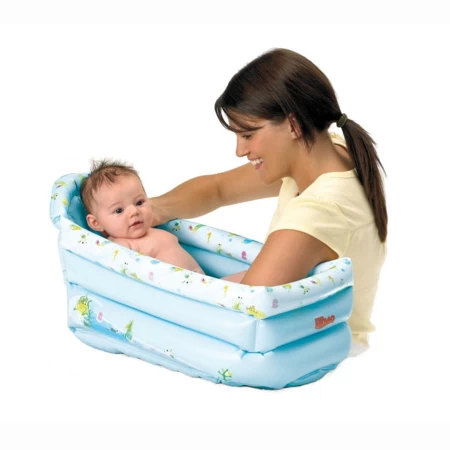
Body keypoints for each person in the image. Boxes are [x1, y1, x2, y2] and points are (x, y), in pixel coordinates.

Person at [148, 48, 388, 355]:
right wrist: (146, 210)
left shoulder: (319, 212)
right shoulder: (328, 153)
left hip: (319, 350)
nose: (239, 150)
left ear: (293, 125)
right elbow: (218, 189)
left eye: (248, 135)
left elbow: (242, 309)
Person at [80, 159, 205, 274]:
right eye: (119, 210)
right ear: (96, 223)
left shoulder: (153, 229)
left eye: (139, 202)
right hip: (179, 288)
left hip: (202, 279)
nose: (134, 211)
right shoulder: (120, 245)